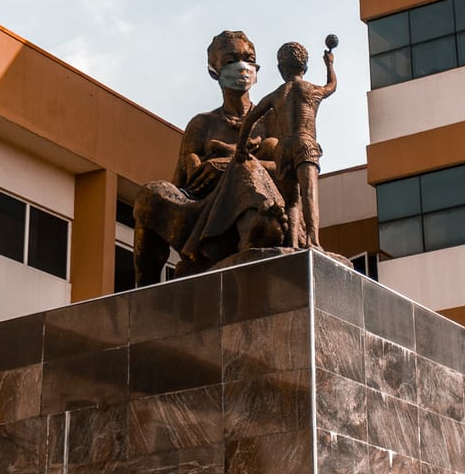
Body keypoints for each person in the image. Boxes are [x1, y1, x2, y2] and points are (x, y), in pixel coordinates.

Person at [131, 31, 284, 284]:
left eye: (249, 58)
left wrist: (229, 165)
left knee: (247, 176)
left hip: (258, 207)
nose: (241, 66)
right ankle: (144, 292)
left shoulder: (271, 120)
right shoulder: (202, 124)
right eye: (230, 60)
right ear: (214, 71)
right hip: (206, 211)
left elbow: (288, 170)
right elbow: (179, 184)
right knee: (151, 195)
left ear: (258, 67)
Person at [235, 37, 336, 250]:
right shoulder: (312, 90)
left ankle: (291, 243)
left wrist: (241, 147)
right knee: (308, 193)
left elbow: (250, 119)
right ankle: (313, 241)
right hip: (305, 144)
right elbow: (332, 86)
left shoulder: (277, 95)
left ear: (281, 69)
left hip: (283, 148)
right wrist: (330, 64)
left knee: (291, 202)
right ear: (305, 68)